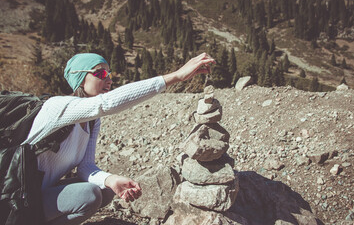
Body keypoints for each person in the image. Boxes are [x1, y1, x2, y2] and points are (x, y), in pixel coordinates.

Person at [23, 52, 214, 225]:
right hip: (18, 199)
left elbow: (85, 167)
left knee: (105, 190)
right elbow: (106, 103)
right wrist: (176, 76)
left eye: (109, 74)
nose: (108, 79)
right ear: (80, 79)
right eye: (100, 74)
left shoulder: (91, 121)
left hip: (41, 195)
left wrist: (111, 179)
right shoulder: (57, 107)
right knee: (89, 195)